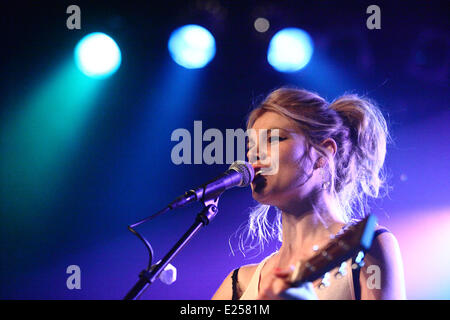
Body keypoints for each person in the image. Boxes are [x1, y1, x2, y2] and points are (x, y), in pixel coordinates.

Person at [212, 87, 406, 300]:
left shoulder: (370, 246)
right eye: (251, 145)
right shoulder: (239, 282)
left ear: (323, 154)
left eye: (274, 139)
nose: (252, 153)